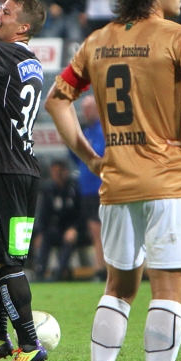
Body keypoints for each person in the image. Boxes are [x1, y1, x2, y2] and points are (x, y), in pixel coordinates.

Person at [45, 0, 181, 361]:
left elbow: (57, 99)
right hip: (170, 181)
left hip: (116, 184)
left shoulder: (97, 40)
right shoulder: (180, 37)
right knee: (167, 291)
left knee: (118, 288)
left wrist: (89, 158)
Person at [0, 0, 48, 361]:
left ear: (23, 28)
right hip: (26, 169)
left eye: (6, 12)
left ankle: (30, 343)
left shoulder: (0, 54)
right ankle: (0, 339)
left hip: (0, 169)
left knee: (1, 261)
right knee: (2, 256)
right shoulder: (31, 62)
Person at [71, 95, 106, 281]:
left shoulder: (102, 132)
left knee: (107, 231)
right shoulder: (87, 132)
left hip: (102, 187)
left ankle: (111, 269)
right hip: (87, 190)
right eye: (83, 108)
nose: (85, 112)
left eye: (89, 108)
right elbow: (77, 158)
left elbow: (98, 157)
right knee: (95, 232)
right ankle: (101, 268)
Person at [34, 160, 82, 282]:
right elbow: (43, 214)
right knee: (46, 237)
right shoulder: (48, 190)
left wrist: (74, 228)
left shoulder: (74, 189)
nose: (57, 175)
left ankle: (60, 273)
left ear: (66, 172)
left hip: (73, 230)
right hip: (55, 230)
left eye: (60, 171)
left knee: (69, 239)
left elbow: (81, 213)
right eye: (54, 172)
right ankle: (40, 272)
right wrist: (40, 232)